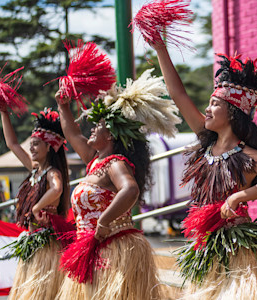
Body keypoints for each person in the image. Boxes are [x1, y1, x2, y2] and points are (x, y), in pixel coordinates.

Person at [150, 38, 257, 299]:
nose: (207, 108)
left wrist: (240, 196)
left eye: (215, 104)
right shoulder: (206, 141)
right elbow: (178, 94)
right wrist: (160, 48)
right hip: (205, 244)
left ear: (232, 112)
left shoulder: (250, 155)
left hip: (237, 247)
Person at [55, 69, 180, 300]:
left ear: (111, 134)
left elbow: (131, 189)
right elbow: (72, 135)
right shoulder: (94, 162)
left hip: (113, 249)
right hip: (91, 247)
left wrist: (104, 221)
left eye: (98, 124)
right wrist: (63, 106)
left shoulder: (115, 164)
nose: (92, 127)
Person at [0, 108, 70, 299]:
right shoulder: (35, 170)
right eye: (31, 144)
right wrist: (4, 113)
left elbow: (57, 189)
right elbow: (12, 144)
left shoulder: (52, 172)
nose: (31, 148)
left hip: (47, 246)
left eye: (36, 144)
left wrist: (37, 207)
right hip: (33, 242)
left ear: (49, 147)